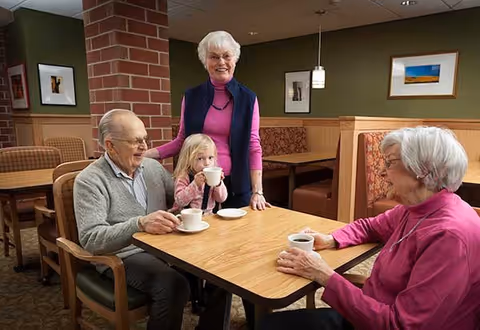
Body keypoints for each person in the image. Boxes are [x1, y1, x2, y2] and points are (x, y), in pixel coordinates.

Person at [261, 126, 480, 330]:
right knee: (270, 323)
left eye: (390, 163)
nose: (382, 173)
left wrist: (325, 275)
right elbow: (370, 227)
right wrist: (330, 239)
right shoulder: (416, 206)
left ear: (422, 171)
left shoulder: (448, 237)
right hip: (371, 310)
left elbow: (400, 325)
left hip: (380, 321)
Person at [74, 109, 189, 330]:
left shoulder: (152, 168)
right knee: (173, 285)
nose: (145, 147)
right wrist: (139, 224)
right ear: (110, 145)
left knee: (219, 270)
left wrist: (202, 187)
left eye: (145, 139)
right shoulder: (89, 181)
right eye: (136, 141)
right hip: (123, 256)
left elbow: (181, 197)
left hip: (166, 247)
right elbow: (91, 239)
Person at [145, 30, 270, 212]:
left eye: (226, 56)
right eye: (214, 57)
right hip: (197, 186)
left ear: (234, 59)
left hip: (236, 186)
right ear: (205, 61)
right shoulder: (191, 96)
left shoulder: (248, 98)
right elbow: (182, 141)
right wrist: (145, 154)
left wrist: (257, 191)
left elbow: (253, 146)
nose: (221, 62)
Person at [172, 133, 227, 215]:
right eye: (200, 158)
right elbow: (180, 201)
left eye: (210, 158)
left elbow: (221, 199)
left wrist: (218, 183)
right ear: (188, 159)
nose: (207, 163)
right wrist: (195, 184)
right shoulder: (184, 176)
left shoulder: (212, 175)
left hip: (209, 216)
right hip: (188, 217)